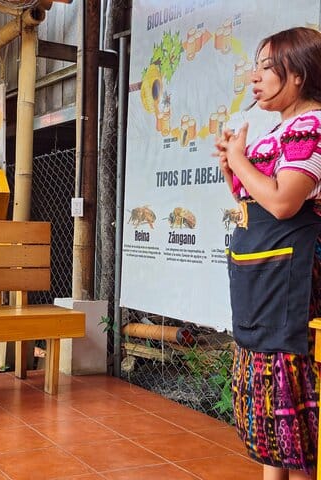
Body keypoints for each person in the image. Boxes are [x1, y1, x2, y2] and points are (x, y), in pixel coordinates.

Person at [214, 26, 321, 480]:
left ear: (298, 74)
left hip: (292, 285)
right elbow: (251, 200)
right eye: (255, 67)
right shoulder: (278, 131)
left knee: (292, 401)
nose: (254, 78)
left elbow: (282, 202)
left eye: (267, 68)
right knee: (269, 410)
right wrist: (231, 167)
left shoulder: (313, 126)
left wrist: (240, 160)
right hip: (263, 279)